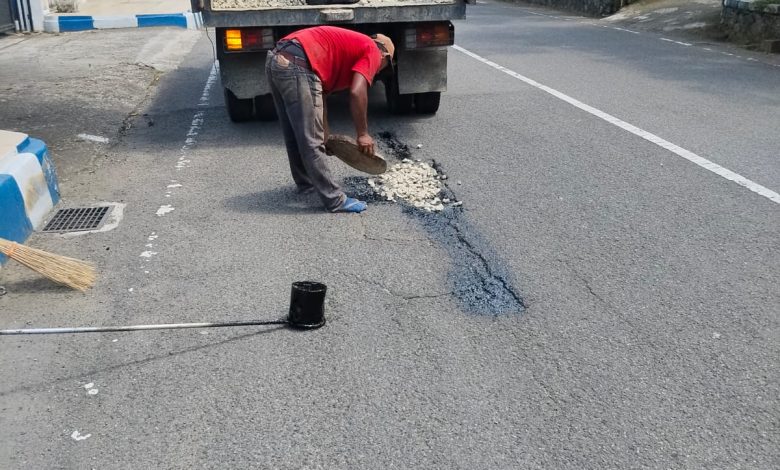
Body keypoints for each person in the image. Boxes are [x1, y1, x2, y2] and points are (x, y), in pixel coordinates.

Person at [265, 26, 395, 213]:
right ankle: (335, 200)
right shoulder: (372, 50)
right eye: (384, 67)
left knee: (295, 131)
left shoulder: (349, 49)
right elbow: (358, 91)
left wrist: (325, 133)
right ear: (385, 56)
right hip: (297, 64)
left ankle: (306, 184)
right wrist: (363, 134)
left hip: (277, 59)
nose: (379, 71)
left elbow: (320, 96)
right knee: (311, 139)